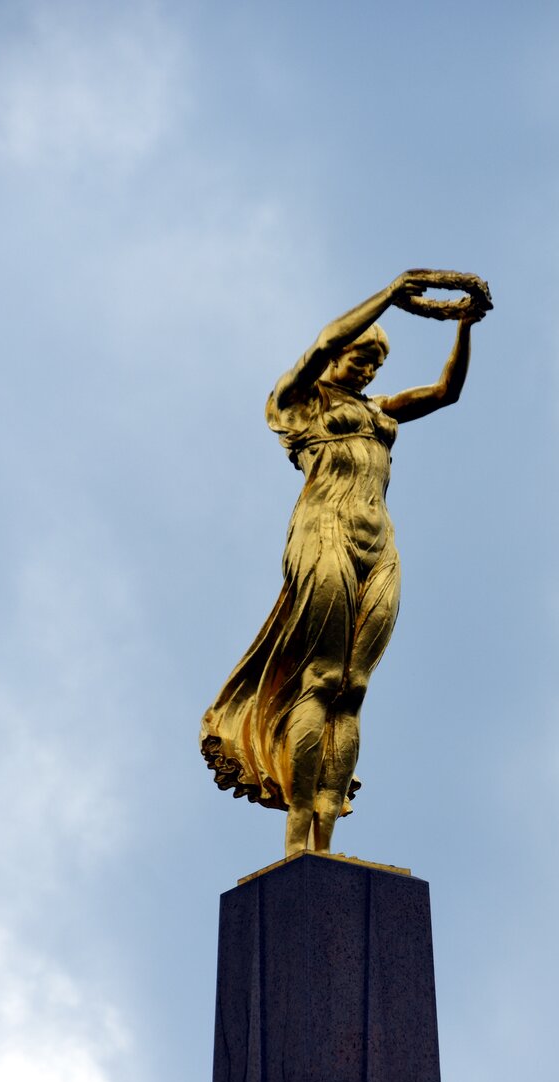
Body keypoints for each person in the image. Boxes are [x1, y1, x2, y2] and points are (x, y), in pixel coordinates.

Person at [201, 270, 488, 855]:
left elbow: (445, 393)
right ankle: (296, 841)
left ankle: (326, 842)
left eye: (374, 366)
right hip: (323, 531)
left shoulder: (380, 413)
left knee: (353, 687)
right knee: (323, 677)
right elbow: (325, 344)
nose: (366, 371)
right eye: (362, 359)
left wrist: (464, 326)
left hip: (377, 542)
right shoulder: (298, 402)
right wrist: (393, 292)